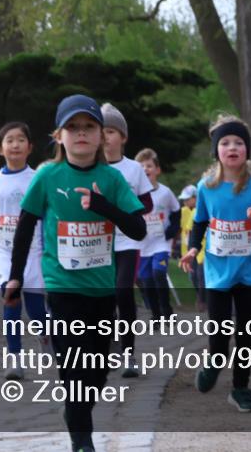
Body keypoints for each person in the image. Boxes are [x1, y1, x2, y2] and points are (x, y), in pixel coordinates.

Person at [3, 94, 148, 452]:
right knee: (75, 365)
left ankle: (77, 412)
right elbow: (25, 227)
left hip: (101, 290)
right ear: (59, 136)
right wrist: (16, 276)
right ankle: (82, 439)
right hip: (62, 287)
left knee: (96, 372)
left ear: (101, 136)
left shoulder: (111, 179)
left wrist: (103, 206)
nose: (80, 133)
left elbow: (138, 229)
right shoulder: (49, 176)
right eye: (72, 127)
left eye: (89, 127)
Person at [179, 115, 251, 413]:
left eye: (239, 142)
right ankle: (213, 365)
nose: (232, 147)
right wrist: (192, 249)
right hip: (216, 274)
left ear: (247, 150)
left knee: (246, 333)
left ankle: (240, 388)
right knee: (220, 335)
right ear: (217, 151)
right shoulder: (206, 187)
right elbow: (199, 223)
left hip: (248, 273)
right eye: (225, 142)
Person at [0, 121, 47, 380]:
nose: (15, 144)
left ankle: (47, 336)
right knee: (11, 302)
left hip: (32, 252)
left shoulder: (38, 179)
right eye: (9, 140)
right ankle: (15, 358)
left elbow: (45, 216)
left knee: (36, 310)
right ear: (0, 148)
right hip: (3, 253)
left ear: (30, 147)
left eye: (21, 139)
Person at [100, 102, 154, 377]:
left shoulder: (133, 169)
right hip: (97, 242)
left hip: (128, 240)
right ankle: (106, 346)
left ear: (122, 137)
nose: (106, 136)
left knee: (123, 291)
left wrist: (124, 211)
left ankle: (130, 353)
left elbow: (147, 204)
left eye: (111, 131)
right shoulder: (91, 167)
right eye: (102, 131)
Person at [133, 148, 181, 321]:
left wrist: (171, 231)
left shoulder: (165, 192)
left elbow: (176, 212)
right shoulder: (133, 194)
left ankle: (167, 311)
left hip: (161, 243)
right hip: (142, 245)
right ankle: (155, 314)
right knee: (147, 281)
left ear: (157, 170)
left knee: (159, 273)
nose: (146, 170)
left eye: (149, 166)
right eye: (141, 167)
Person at [178, 184, 204, 310]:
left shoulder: (199, 209)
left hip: (202, 249)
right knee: (193, 276)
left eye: (188, 199)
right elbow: (183, 229)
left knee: (201, 276)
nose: (185, 201)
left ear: (195, 197)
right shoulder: (184, 211)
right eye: (184, 199)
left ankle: (204, 301)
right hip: (188, 250)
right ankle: (200, 298)